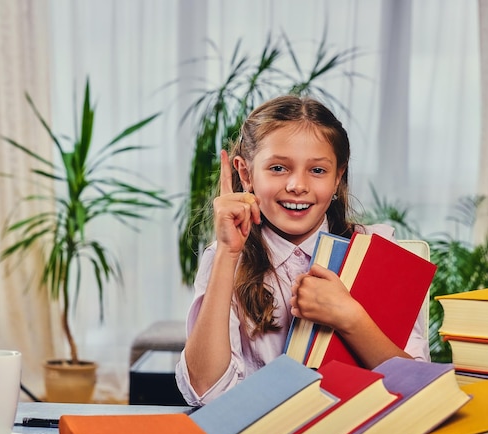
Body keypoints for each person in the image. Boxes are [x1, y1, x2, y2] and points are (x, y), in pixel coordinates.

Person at [175, 95, 429, 406]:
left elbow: (419, 390)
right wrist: (228, 254)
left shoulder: (377, 253)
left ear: (338, 177)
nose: (298, 185)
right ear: (246, 174)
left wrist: (349, 318)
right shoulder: (225, 257)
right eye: (279, 167)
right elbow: (206, 390)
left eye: (318, 171)